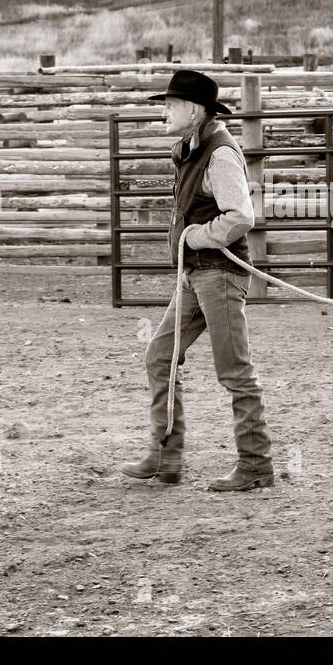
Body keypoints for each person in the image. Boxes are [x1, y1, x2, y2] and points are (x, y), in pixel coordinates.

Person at [120, 69, 275, 491]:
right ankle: (166, 457)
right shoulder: (192, 148)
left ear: (193, 110)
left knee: (234, 371)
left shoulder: (220, 154)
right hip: (196, 274)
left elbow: (241, 217)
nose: (163, 113)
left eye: (169, 105)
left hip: (219, 275)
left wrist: (195, 236)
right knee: (160, 356)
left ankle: (256, 465)